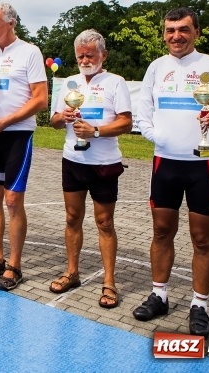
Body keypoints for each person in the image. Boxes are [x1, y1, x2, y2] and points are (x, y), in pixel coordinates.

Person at [133, 7, 209, 336]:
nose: (176, 36)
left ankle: (200, 305)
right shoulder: (156, 68)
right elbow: (143, 117)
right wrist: (160, 139)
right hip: (165, 162)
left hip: (204, 164)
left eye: (183, 29)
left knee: (201, 238)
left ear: (196, 31)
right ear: (164, 34)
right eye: (170, 30)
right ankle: (160, 295)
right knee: (162, 232)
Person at [49, 29, 132, 308]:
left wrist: (96, 131)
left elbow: (126, 123)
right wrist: (64, 117)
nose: (85, 60)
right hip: (73, 160)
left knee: (104, 223)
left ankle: (109, 282)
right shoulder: (70, 82)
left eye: (90, 54)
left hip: (104, 163)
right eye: (80, 55)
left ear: (103, 55)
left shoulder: (115, 82)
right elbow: (54, 120)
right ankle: (72, 272)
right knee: (72, 218)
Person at [0, 2, 48, 291]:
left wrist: (7, 121)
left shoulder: (30, 52)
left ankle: (15, 265)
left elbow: (40, 100)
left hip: (17, 134)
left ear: (11, 23)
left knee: (13, 200)